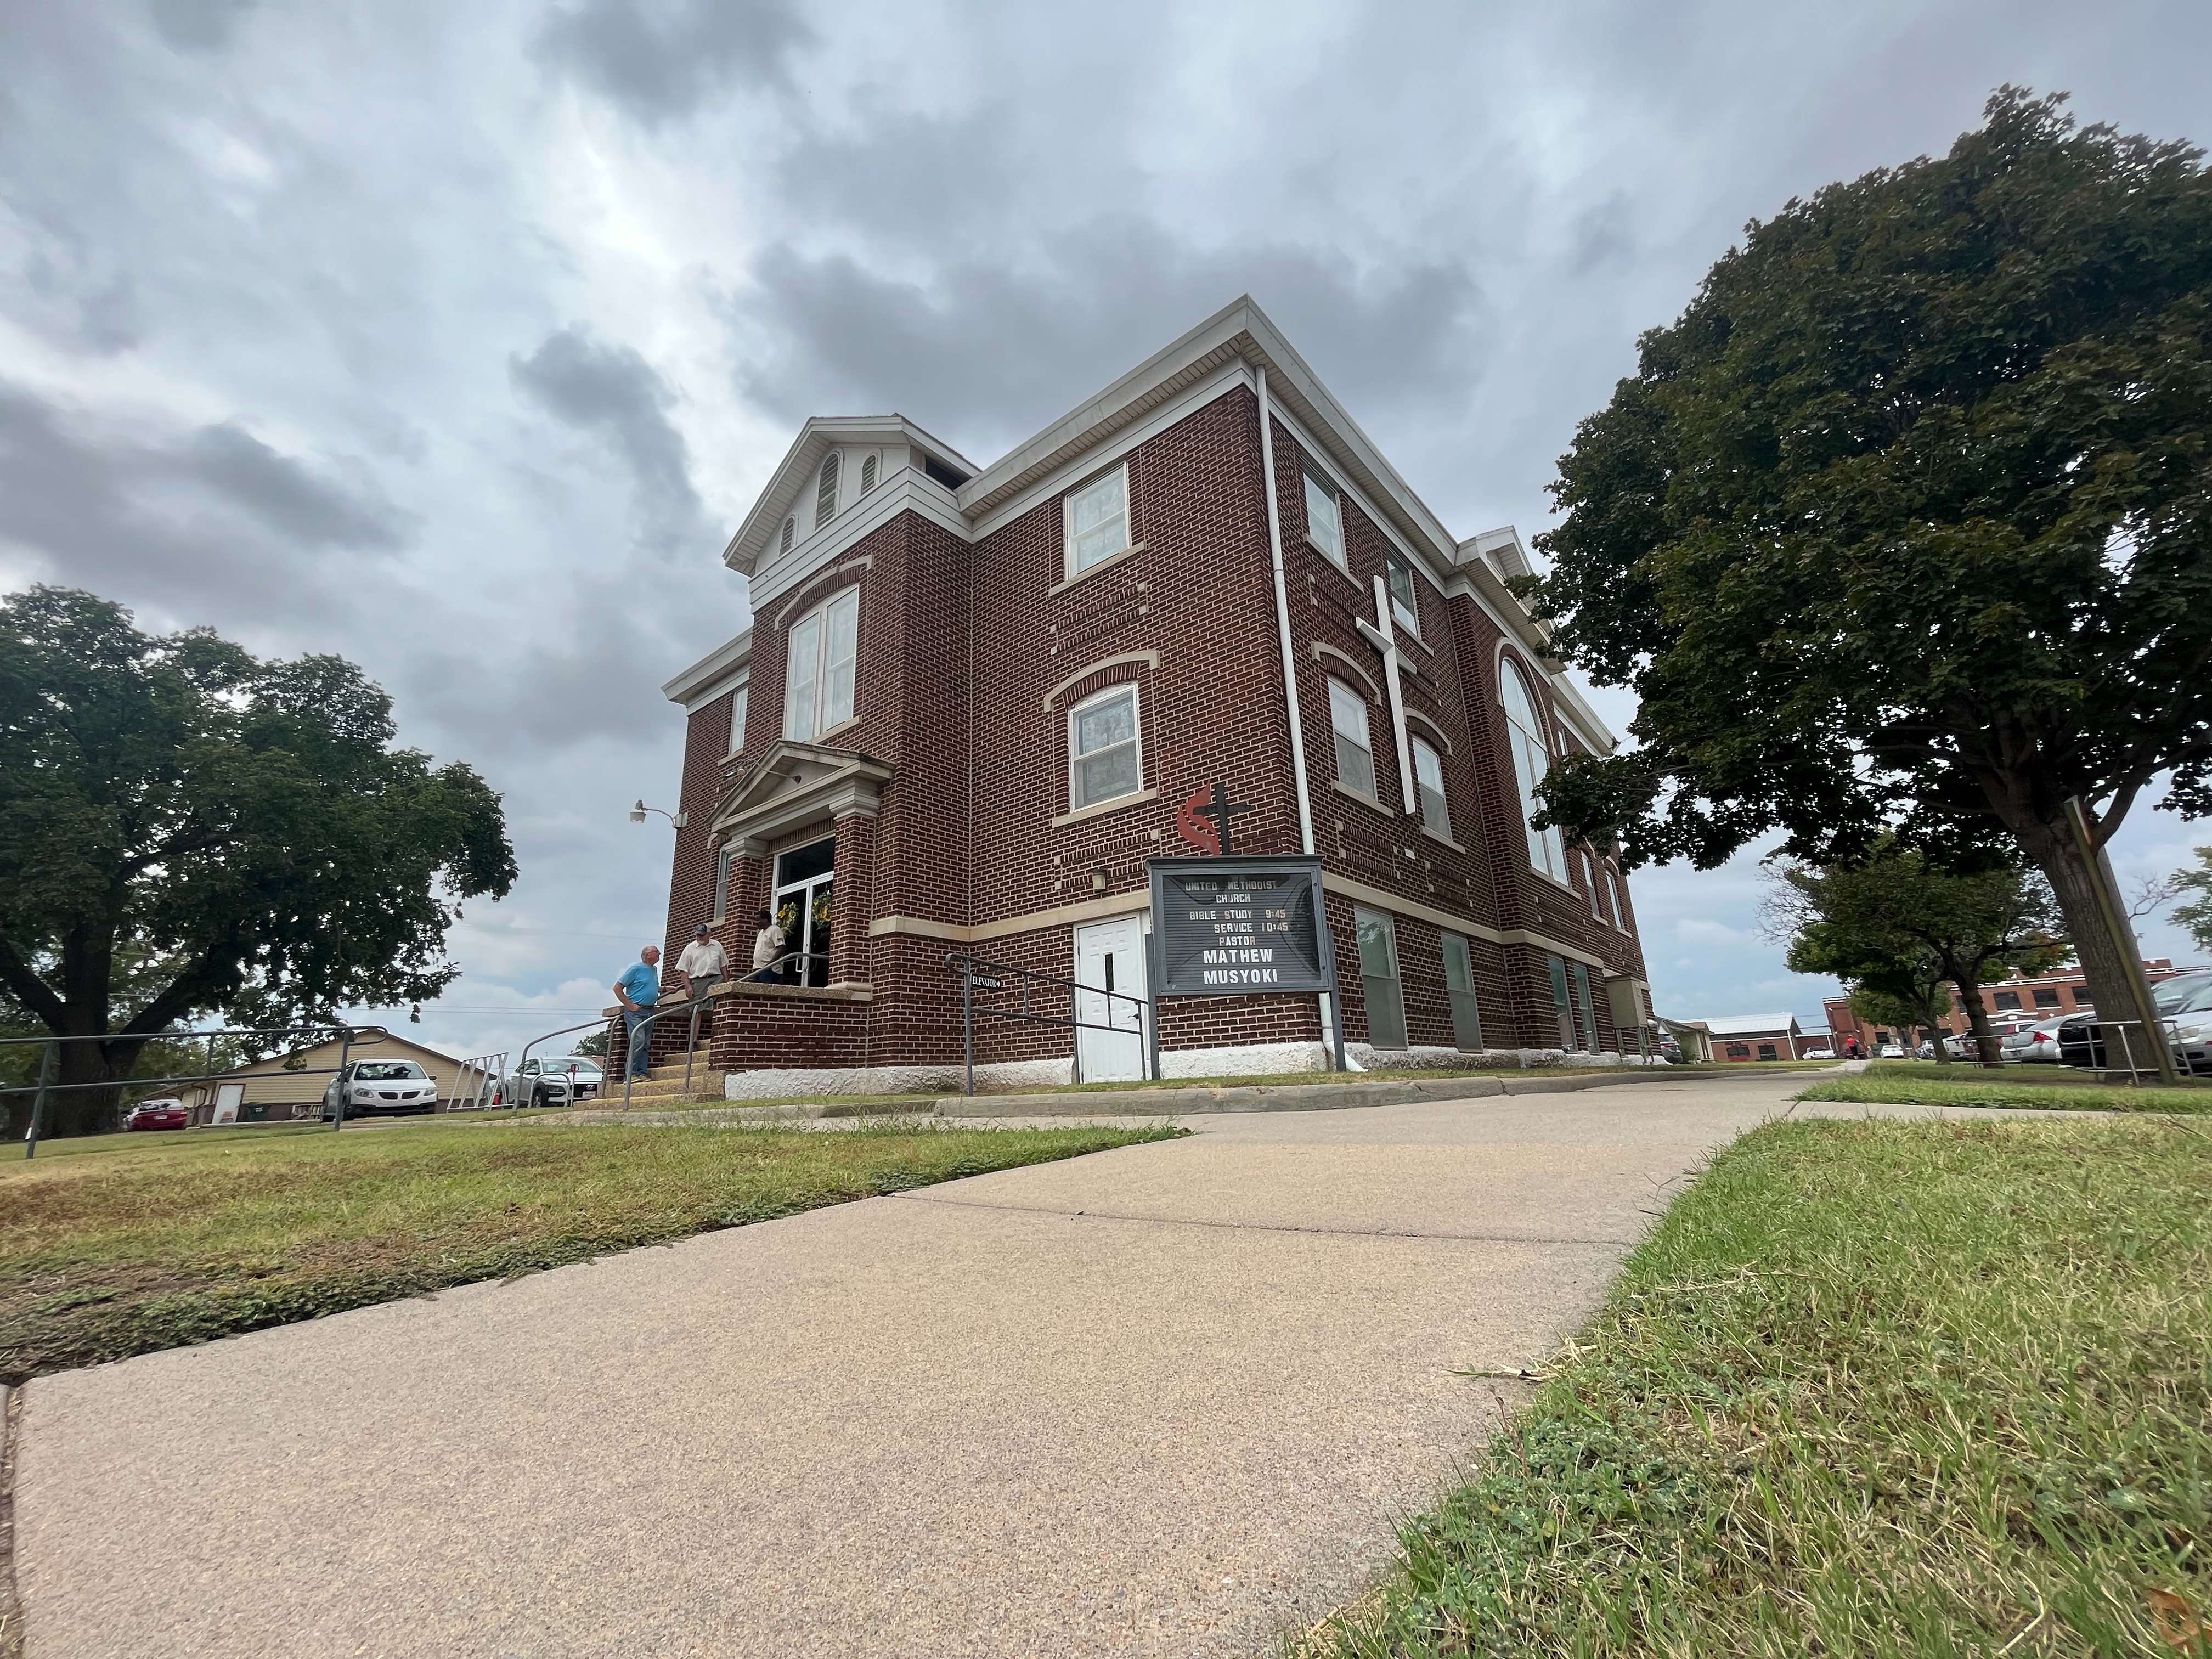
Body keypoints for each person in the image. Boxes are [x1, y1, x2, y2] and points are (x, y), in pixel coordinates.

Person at [613, 945, 662, 1081]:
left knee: (645, 1043)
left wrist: (663, 989)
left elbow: (645, 986)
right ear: (647, 955)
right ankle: (630, 1074)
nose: (659, 953)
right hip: (637, 1012)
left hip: (650, 1010)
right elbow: (618, 988)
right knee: (638, 1041)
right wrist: (630, 1006)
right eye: (656, 952)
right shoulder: (636, 969)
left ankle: (642, 1072)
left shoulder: (654, 970)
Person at [674, 924, 727, 1001]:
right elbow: (683, 970)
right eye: (697, 935)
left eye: (702, 935)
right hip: (698, 982)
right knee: (700, 1007)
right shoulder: (690, 948)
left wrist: (726, 979)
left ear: (709, 934)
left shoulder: (717, 945)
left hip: (716, 979)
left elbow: (723, 965)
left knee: (713, 1004)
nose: (699, 937)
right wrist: (688, 987)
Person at [748, 907, 787, 983]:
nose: (756, 922)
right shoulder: (760, 933)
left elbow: (781, 948)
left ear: (765, 920)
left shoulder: (774, 929)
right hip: (757, 969)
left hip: (769, 969)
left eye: (758, 920)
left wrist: (770, 964)